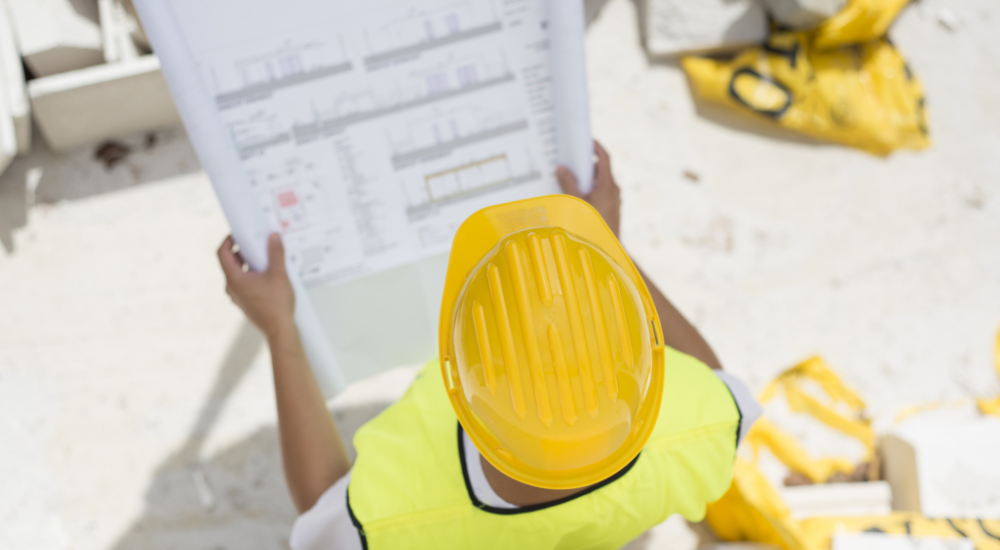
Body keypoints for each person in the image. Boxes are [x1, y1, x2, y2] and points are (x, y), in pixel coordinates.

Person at [217, 142, 762, 549]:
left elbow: (319, 507)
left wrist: (280, 330)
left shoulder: (389, 521)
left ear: (460, 380)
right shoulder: (702, 426)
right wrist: (607, 252)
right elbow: (716, 377)